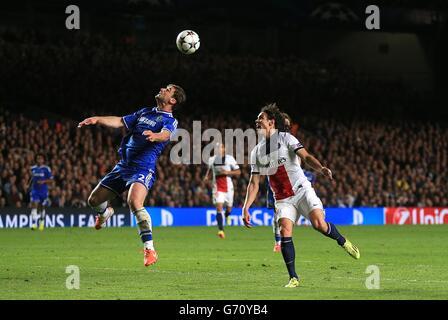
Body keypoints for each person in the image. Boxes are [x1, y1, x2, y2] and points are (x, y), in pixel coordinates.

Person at [242, 103, 360, 288]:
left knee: (319, 225)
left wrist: (320, 168)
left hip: (301, 189)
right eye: (257, 119)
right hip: (282, 199)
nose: (257, 121)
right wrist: (246, 206)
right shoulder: (256, 152)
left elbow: (306, 156)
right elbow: (254, 183)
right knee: (285, 232)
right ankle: (293, 278)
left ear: (271, 122)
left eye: (261, 118)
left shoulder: (286, 138)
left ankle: (342, 241)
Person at [78, 84, 186, 267]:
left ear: (173, 100)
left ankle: (149, 249)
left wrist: (156, 135)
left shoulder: (170, 120)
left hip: (143, 168)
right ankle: (105, 213)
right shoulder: (145, 112)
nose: (162, 89)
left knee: (134, 202)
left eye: (167, 89)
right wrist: (97, 119)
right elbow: (120, 121)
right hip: (123, 166)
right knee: (93, 201)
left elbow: (167, 135)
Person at [204, 143, 241, 238]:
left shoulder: (230, 158)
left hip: (228, 187)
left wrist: (227, 172)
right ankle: (221, 230)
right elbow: (209, 170)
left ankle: (227, 214)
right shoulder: (211, 159)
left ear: (224, 149)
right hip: (217, 187)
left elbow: (238, 171)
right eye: (216, 147)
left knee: (229, 208)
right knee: (219, 207)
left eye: (220, 147)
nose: (218, 149)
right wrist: (207, 177)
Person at [29, 153, 53, 231]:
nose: (39, 160)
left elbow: (51, 180)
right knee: (34, 204)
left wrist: (43, 182)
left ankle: (42, 222)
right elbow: (31, 178)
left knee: (41, 207)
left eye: (41, 158)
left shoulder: (46, 169)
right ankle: (34, 223)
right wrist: (28, 185)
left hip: (43, 191)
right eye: (38, 158)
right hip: (35, 190)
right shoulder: (32, 168)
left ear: (43, 160)